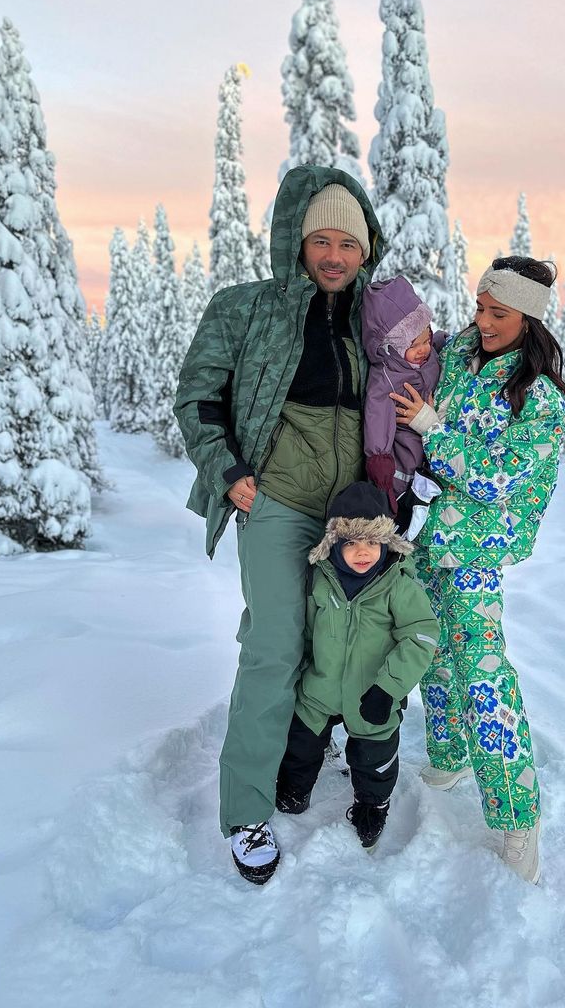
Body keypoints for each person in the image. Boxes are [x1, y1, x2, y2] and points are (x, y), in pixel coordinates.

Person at [174, 165, 384, 885]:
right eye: (319, 240)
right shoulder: (245, 308)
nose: (332, 256)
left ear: (366, 250)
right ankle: (246, 809)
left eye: (346, 244)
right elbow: (198, 397)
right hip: (276, 500)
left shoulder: (376, 319)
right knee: (273, 645)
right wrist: (229, 471)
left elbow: (416, 385)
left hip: (353, 510)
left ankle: (302, 749)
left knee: (335, 638)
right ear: (297, 244)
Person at [389, 256, 565, 883]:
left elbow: (498, 480)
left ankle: (519, 819)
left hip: (475, 550)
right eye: (480, 308)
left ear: (529, 318)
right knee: (429, 650)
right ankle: (448, 752)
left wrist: (433, 431)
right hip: (428, 535)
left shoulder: (539, 398)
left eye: (499, 314)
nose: (483, 321)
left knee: (483, 671)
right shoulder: (464, 351)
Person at [274, 482, 439, 858]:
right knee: (300, 745)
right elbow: (306, 631)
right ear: (334, 544)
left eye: (371, 541)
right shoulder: (321, 579)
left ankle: (372, 805)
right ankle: (295, 788)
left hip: (372, 694)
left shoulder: (396, 584)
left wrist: (389, 688)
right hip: (320, 690)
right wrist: (302, 670)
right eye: (350, 542)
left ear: (386, 542)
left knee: (374, 758)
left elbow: (422, 635)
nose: (361, 552)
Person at [361, 277, 444, 522]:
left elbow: (437, 349)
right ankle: (400, 512)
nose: (423, 349)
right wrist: (379, 457)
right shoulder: (385, 376)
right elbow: (377, 416)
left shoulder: (428, 356)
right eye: (413, 345)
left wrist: (441, 341)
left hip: (432, 437)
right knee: (406, 472)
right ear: (391, 348)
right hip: (403, 444)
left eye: (425, 340)